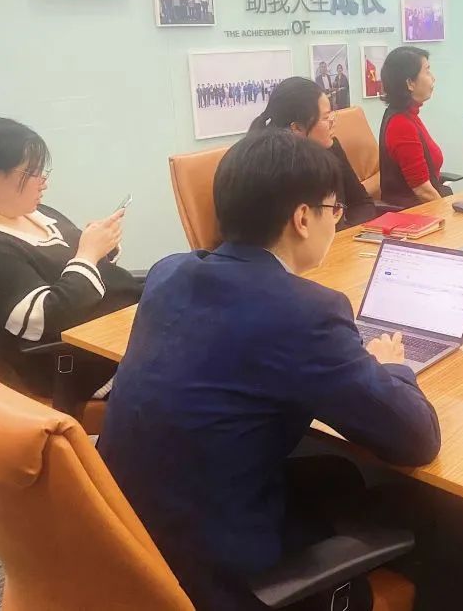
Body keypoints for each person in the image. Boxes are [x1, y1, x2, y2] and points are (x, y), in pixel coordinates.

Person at [100, 132, 440, 610]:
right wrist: (394, 367)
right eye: (334, 209)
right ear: (302, 218)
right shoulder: (306, 313)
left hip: (129, 545)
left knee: (340, 475)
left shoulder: (168, 273)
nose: (336, 220)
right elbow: (416, 440)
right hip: (221, 582)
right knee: (435, 525)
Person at [0, 117, 141, 401]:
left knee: (186, 279)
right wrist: (88, 253)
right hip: (84, 363)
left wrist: (100, 244)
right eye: (33, 173)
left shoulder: (34, 212)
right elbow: (48, 317)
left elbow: (77, 266)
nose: (43, 183)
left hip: (125, 330)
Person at [250, 77, 376, 229]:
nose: (333, 122)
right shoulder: (272, 169)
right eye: (325, 118)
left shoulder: (331, 147)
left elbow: (362, 203)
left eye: (331, 114)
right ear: (297, 128)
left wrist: (347, 235)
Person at [378, 46, 451, 207]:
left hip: (426, 206)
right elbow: (423, 192)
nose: (433, 78)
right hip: (415, 213)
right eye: (427, 71)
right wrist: (449, 213)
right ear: (410, 83)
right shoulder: (401, 125)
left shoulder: (407, 115)